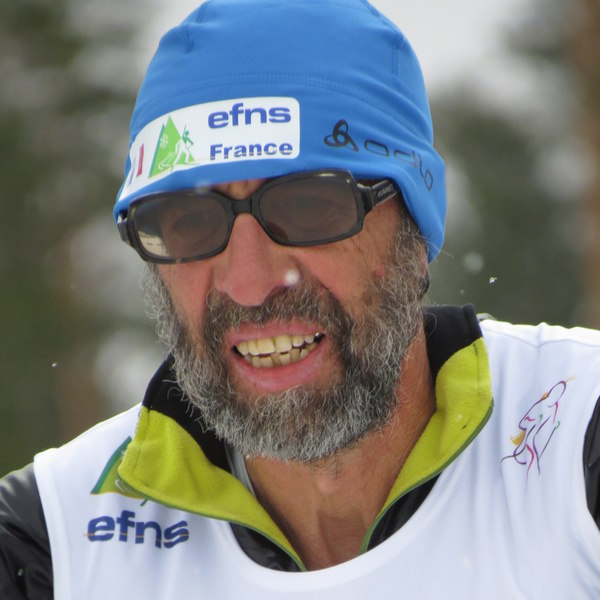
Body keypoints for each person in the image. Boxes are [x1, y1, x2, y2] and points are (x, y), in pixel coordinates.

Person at [1, 0, 600, 597]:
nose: (250, 283)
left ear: (414, 232)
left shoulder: (576, 434)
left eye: (309, 207)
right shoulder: (55, 540)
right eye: (190, 222)